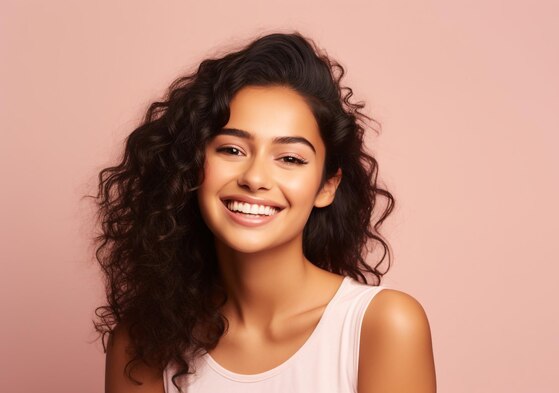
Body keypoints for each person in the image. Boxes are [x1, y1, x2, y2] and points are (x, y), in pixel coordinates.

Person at [93, 31, 436, 393]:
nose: (255, 178)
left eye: (290, 158)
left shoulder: (383, 326)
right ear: (192, 166)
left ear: (327, 186)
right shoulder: (143, 342)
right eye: (232, 150)